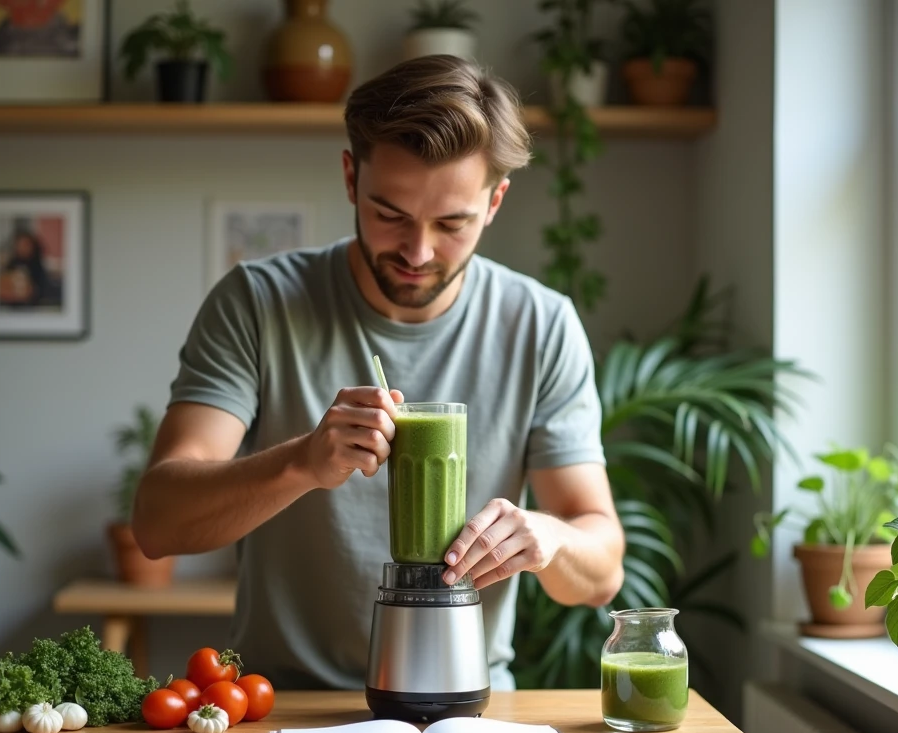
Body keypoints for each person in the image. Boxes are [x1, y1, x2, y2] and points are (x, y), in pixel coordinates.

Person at [133, 55, 625, 692]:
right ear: (350, 177)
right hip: (281, 705)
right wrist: (303, 462)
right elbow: (157, 523)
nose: (418, 252)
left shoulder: (540, 325)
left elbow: (602, 571)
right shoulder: (257, 303)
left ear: (494, 202)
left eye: (451, 223)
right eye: (390, 214)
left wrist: (549, 538)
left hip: (468, 702)